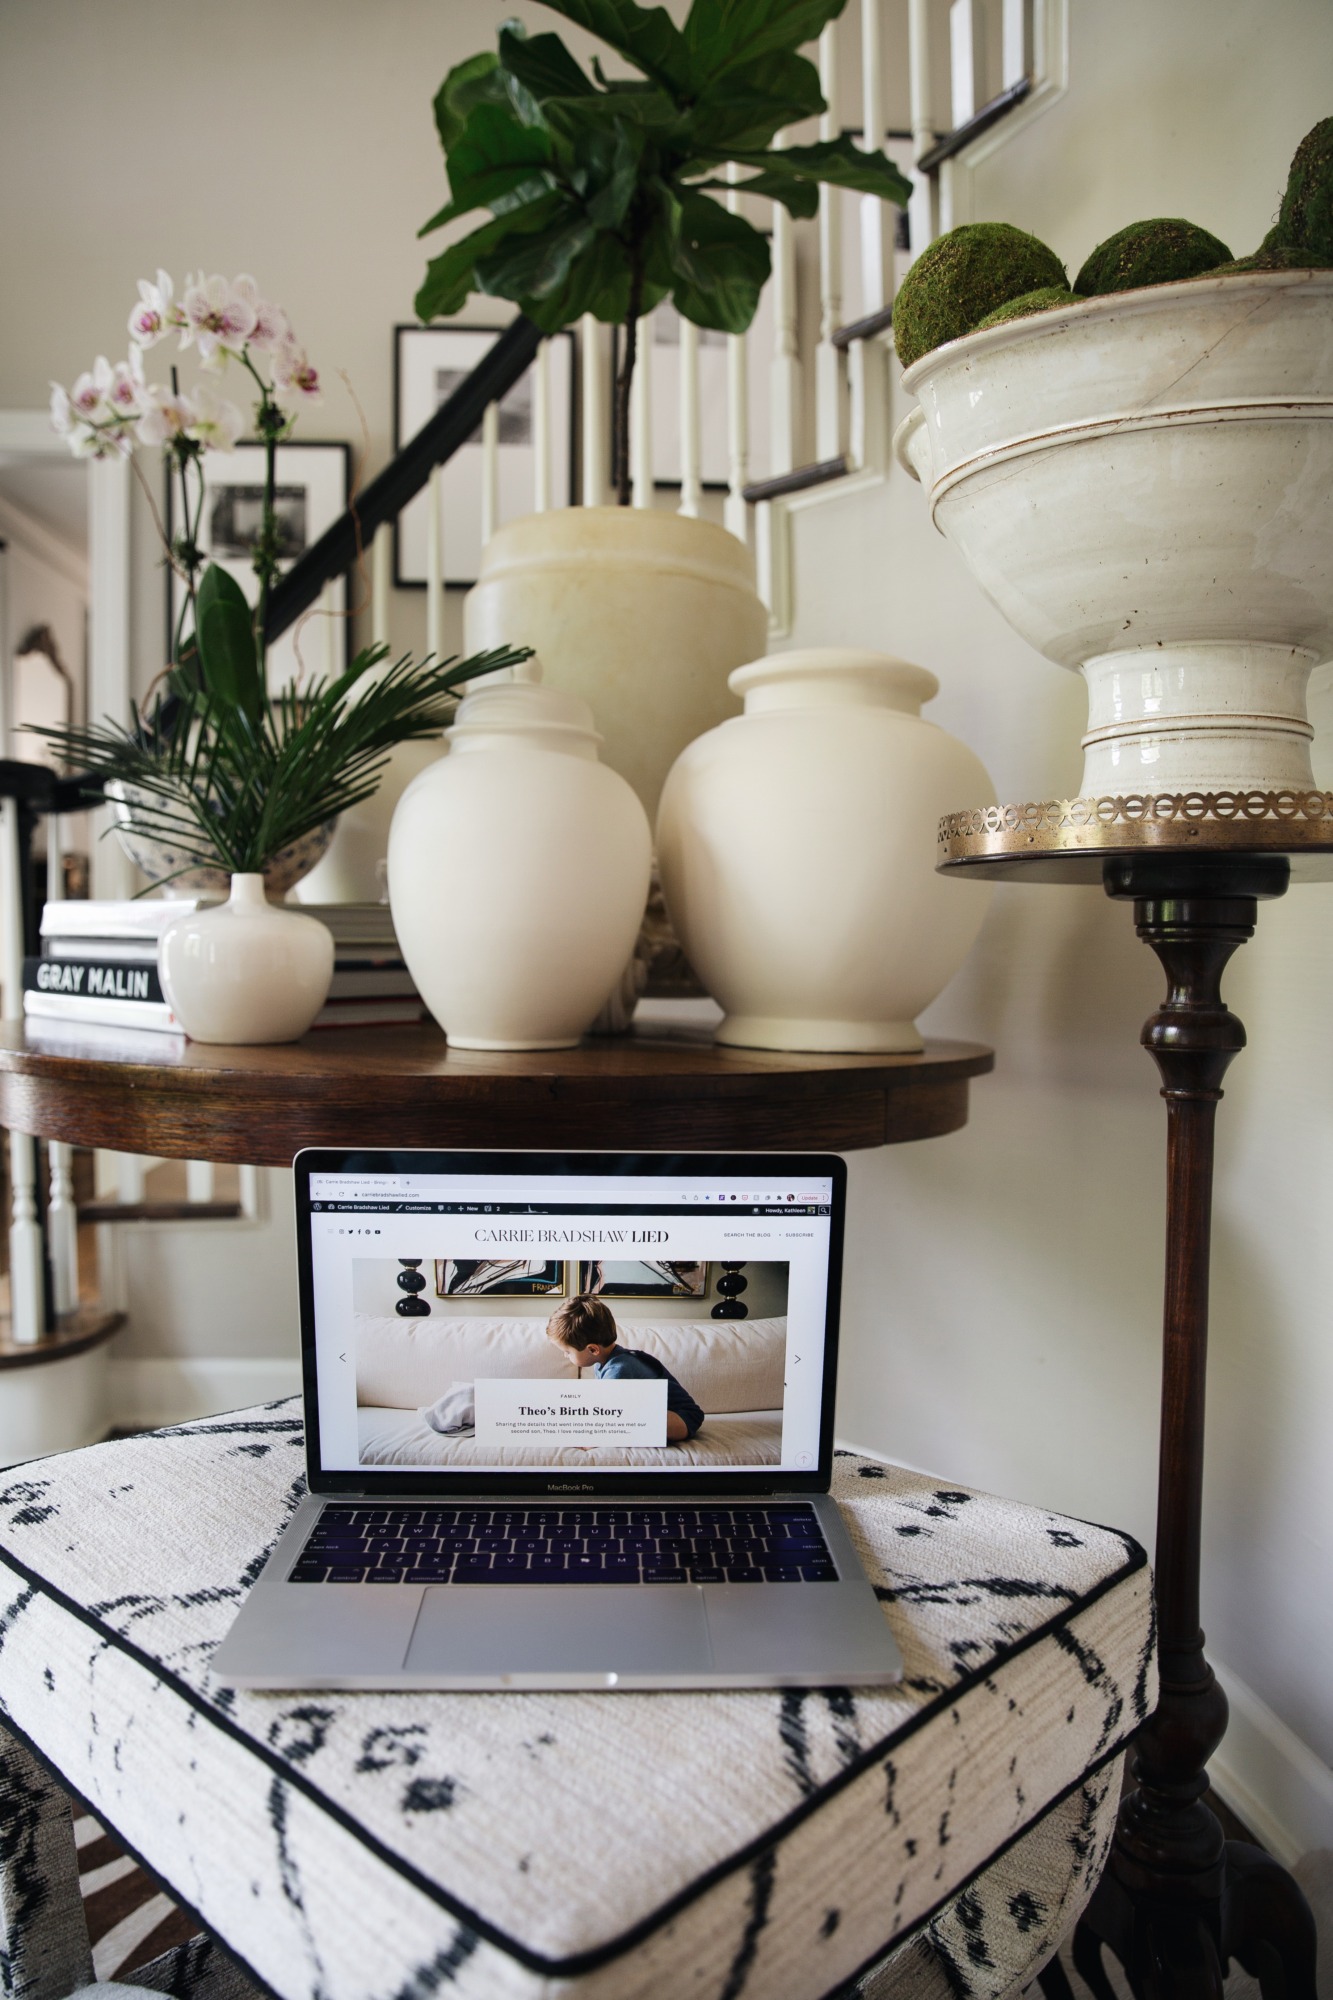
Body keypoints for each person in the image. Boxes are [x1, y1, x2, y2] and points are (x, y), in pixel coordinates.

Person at [545, 1295, 704, 1443]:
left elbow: (609, 1413)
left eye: (567, 1352)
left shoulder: (620, 1368)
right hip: (662, 1412)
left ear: (593, 1349)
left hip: (682, 1417)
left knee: (627, 1418)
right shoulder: (604, 1363)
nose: (566, 1356)